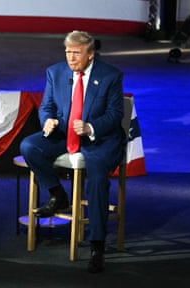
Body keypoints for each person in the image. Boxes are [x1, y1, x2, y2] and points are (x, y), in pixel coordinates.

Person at [19, 30, 125, 273]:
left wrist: (91, 127)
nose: (71, 58)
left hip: (100, 138)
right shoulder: (55, 72)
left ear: (90, 54)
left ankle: (97, 246)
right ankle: (58, 194)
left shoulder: (110, 76)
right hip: (65, 132)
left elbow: (115, 115)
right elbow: (47, 106)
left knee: (97, 178)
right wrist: (47, 121)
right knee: (29, 146)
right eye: (67, 52)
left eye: (76, 53)